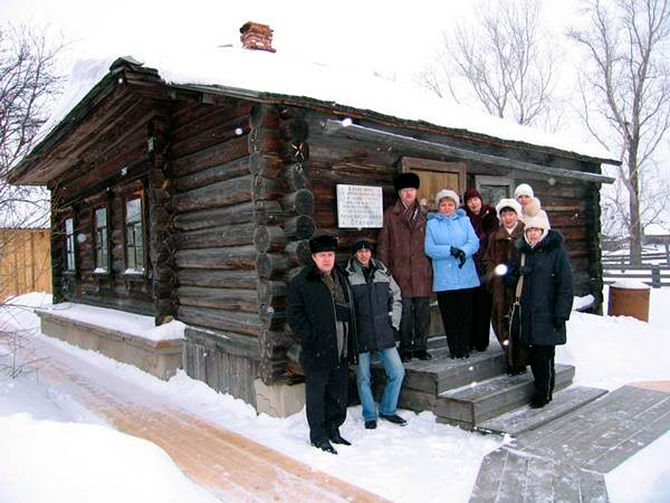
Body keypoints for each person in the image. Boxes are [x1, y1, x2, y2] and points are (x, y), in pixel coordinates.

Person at [286, 234, 357, 454]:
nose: (327, 259)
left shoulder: (342, 277)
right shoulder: (302, 281)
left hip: (341, 346)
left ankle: (333, 429)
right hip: (317, 349)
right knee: (317, 395)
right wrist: (310, 337)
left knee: (338, 393)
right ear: (314, 257)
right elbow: (294, 315)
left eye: (330, 254)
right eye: (322, 255)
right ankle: (318, 436)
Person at [505, 211, 573, 408]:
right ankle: (543, 390)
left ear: (543, 231)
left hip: (548, 313)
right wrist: (517, 272)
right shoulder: (521, 251)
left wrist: (561, 313)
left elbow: (566, 285)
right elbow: (508, 278)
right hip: (527, 314)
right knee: (535, 356)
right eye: (530, 230)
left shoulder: (556, 252)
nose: (533, 234)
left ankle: (543, 393)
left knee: (545, 355)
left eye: (537, 230)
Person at [377, 172, 433, 362]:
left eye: (411, 190)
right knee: (405, 313)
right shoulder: (390, 215)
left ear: (416, 191)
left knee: (423, 312)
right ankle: (406, 347)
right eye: (404, 191)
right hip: (400, 272)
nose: (408, 194)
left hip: (422, 271)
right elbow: (383, 245)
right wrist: (384, 271)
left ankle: (421, 346)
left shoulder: (426, 214)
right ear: (399, 194)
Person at [424, 189, 480, 359]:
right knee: (450, 316)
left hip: (465, 277)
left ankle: (464, 347)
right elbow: (429, 248)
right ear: (438, 207)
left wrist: (463, 251)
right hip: (445, 279)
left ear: (455, 206)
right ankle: (454, 348)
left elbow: (474, 242)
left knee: (465, 315)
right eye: (443, 204)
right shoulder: (432, 224)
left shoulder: (464, 221)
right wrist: (450, 250)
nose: (447, 207)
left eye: (450, 204)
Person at [482, 198, 527, 375]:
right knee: (501, 320)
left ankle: (520, 360)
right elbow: (487, 259)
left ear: (517, 215)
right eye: (504, 214)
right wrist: (495, 275)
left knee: (519, 323)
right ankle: (510, 358)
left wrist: (518, 274)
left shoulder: (525, 233)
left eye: (511, 214)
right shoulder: (495, 236)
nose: (508, 218)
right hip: (500, 286)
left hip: (520, 285)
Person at [463, 187, 498, 352]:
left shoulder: (491, 216)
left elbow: (492, 241)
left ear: (480, 199)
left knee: (484, 304)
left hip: (486, 265)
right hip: (470, 265)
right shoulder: (464, 218)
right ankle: (470, 339)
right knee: (470, 304)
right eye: (469, 201)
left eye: (475, 199)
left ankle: (482, 341)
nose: (473, 203)